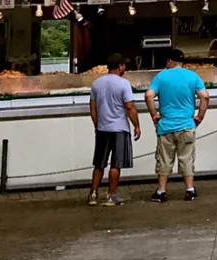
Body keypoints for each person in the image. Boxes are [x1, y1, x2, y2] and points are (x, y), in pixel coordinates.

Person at [145, 48, 209, 202]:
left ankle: (161, 191)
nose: (166, 63)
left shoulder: (161, 76)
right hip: (187, 124)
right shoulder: (193, 76)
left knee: (165, 159)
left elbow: (148, 95)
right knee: (186, 158)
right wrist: (199, 117)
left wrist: (154, 114)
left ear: (171, 61)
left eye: (167, 60)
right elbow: (205, 97)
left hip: (166, 125)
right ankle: (190, 190)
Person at [87, 53, 141, 206]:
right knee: (115, 164)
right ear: (120, 66)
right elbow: (129, 107)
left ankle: (93, 193)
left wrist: (97, 124)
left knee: (99, 163)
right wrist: (136, 125)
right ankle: (111, 195)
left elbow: (92, 108)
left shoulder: (97, 83)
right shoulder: (123, 84)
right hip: (119, 129)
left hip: (102, 128)